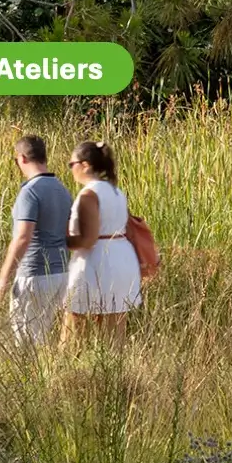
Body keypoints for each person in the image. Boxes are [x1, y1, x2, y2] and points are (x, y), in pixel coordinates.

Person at [0, 134, 72, 348]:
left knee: (26, 343)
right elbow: (67, 232)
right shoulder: (62, 190)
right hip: (60, 273)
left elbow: (22, 237)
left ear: (22, 158)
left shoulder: (30, 192)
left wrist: (3, 277)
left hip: (34, 274)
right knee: (42, 338)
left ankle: (30, 380)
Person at [63, 139, 143, 345]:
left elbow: (88, 239)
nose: (71, 169)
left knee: (74, 326)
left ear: (85, 165)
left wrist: (59, 241)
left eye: (72, 164)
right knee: (115, 331)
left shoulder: (89, 194)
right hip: (122, 259)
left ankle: (66, 372)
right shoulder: (116, 192)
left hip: (97, 262)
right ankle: (116, 373)